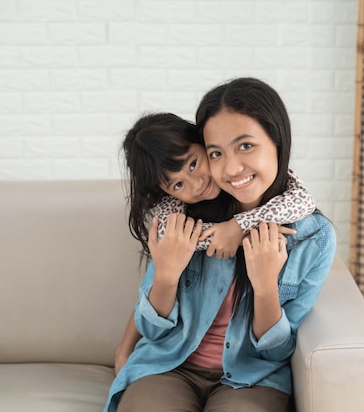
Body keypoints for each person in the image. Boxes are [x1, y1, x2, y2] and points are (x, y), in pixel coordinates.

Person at [104, 77, 336, 412]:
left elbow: (276, 352)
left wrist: (265, 286)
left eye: (245, 146)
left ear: (277, 139)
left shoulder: (313, 237)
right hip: (170, 365)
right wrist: (167, 275)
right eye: (216, 153)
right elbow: (152, 330)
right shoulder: (184, 219)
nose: (230, 168)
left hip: (252, 377)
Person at [114, 112, 316, 374]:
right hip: (173, 366)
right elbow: (150, 313)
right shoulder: (176, 223)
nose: (196, 184)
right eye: (177, 184)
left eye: (194, 164)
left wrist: (238, 227)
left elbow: (302, 200)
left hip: (248, 374)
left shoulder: (290, 209)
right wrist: (124, 349)